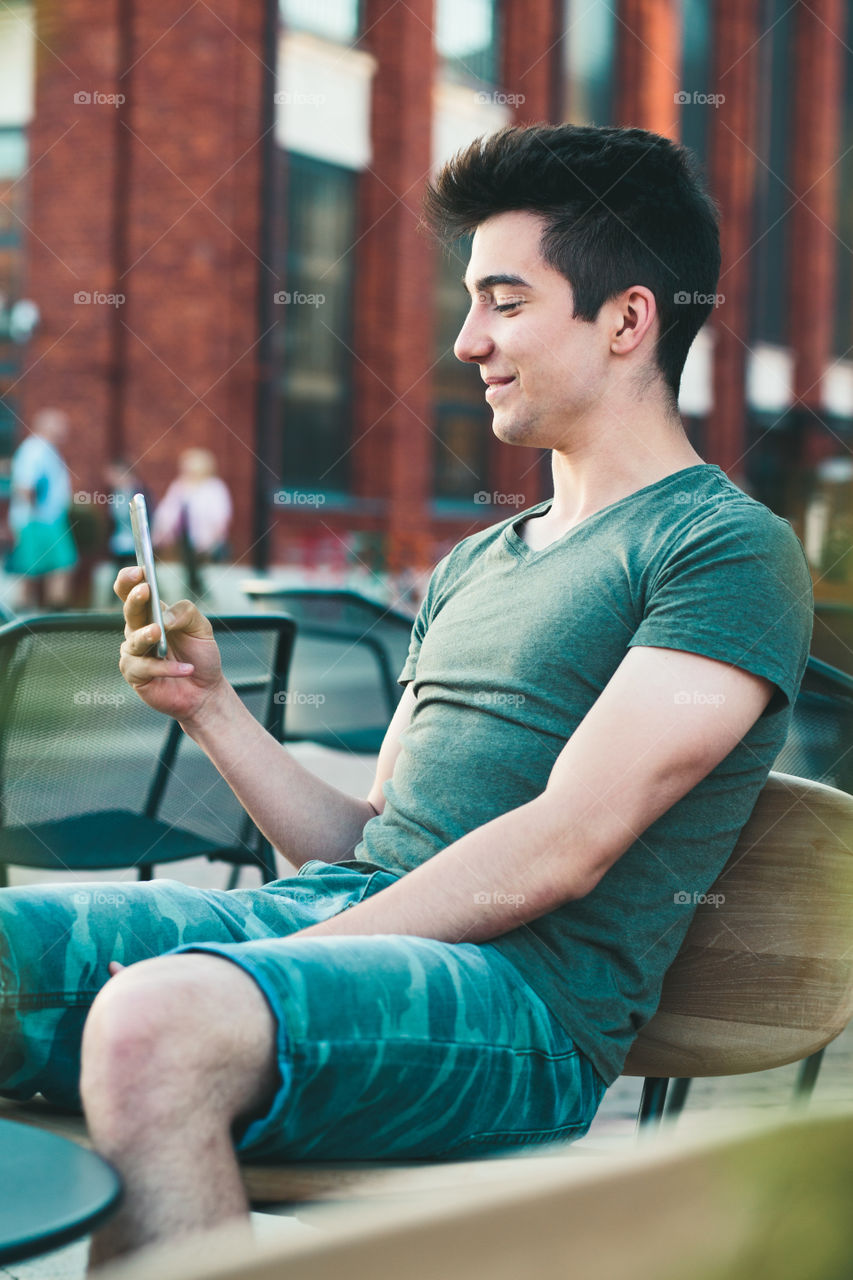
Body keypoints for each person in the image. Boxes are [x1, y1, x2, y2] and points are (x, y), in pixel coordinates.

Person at [0, 124, 813, 1268]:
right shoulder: (475, 564)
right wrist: (213, 708)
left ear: (628, 319)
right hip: (359, 935)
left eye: (505, 301)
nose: (466, 337)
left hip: (527, 1011)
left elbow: (563, 846)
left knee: (157, 1021)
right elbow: (375, 848)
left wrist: (292, 954)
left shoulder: (721, 549)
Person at [6, 407, 78, 609]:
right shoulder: (35, 450)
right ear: (46, 426)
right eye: (60, 424)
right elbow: (24, 487)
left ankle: (31, 622)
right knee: (58, 567)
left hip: (45, 520)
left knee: (36, 571)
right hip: (39, 521)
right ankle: (48, 619)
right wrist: (35, 516)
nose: (66, 429)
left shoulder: (46, 449)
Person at [151, 447, 232, 598]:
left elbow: (221, 516)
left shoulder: (214, 487)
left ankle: (200, 595)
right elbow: (167, 511)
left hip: (205, 539)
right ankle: (192, 593)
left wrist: (211, 540)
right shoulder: (180, 486)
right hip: (183, 536)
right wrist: (160, 532)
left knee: (199, 570)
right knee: (188, 568)